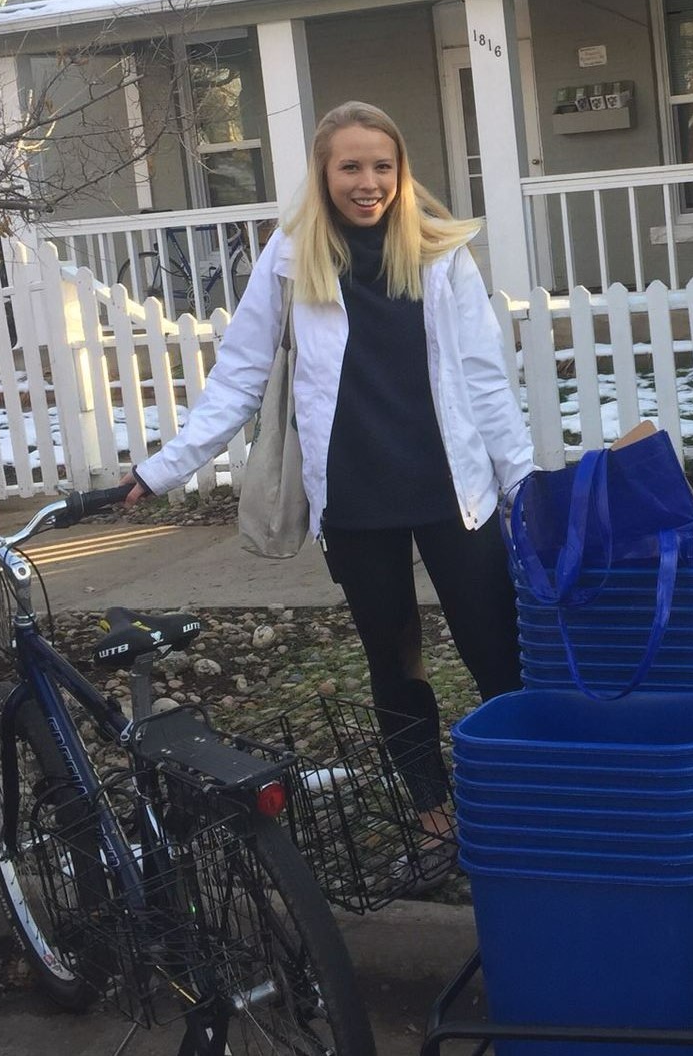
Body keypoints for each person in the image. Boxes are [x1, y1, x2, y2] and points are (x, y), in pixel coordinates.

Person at [124, 100, 534, 881]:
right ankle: (429, 803)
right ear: (323, 172)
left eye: (382, 165)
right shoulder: (290, 256)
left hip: (456, 491)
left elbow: (485, 379)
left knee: (496, 649)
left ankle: (525, 790)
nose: (368, 181)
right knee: (394, 657)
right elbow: (240, 375)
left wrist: (523, 483)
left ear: (401, 170)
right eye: (351, 166)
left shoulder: (441, 252)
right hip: (354, 497)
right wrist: (162, 468)